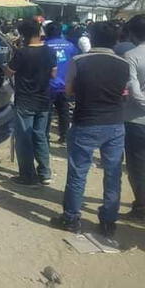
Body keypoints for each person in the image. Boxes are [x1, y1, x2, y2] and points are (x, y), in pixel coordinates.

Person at [51, 22, 130, 238]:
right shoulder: (123, 64)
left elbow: (68, 90)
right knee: (113, 174)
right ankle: (108, 221)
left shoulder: (79, 61)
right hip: (114, 124)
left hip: (86, 121)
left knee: (78, 173)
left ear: (91, 38)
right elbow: (125, 93)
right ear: (116, 40)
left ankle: (71, 218)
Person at [5, 19, 57, 186]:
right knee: (40, 136)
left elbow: (9, 72)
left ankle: (27, 176)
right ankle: (45, 173)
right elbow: (54, 74)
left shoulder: (22, 53)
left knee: (24, 139)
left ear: (23, 34)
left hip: (26, 101)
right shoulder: (49, 51)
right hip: (44, 100)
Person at [124, 14, 145, 221]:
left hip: (136, 120)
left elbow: (133, 90)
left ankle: (140, 207)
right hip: (135, 118)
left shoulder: (131, 55)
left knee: (137, 166)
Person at [45, 22, 78, 143]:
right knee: (63, 112)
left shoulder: (45, 46)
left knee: (46, 112)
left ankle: (45, 136)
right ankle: (64, 136)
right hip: (65, 84)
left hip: (49, 84)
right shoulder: (70, 46)